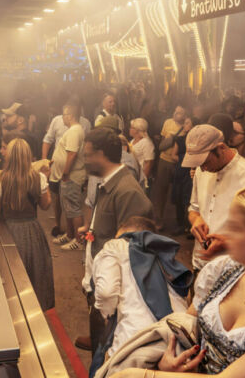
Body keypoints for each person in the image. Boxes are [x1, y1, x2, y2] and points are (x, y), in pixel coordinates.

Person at [111, 185, 245, 378]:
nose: (222, 233)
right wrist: (168, 363)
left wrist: (141, 375)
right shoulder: (223, 271)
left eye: (235, 227)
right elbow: (187, 331)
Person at [77, 127, 154, 355]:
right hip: (99, 284)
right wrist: (92, 231)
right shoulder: (109, 183)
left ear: (101, 155)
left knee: (106, 355)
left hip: (113, 300)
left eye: (87, 155)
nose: (84, 160)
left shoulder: (128, 192)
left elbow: (132, 255)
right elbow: (112, 230)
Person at [91, 216, 191, 375]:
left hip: (133, 347)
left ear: (122, 231)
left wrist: (107, 314)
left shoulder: (115, 245)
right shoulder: (168, 258)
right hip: (177, 348)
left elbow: (106, 292)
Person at [184, 125, 245, 270]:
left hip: (235, 273)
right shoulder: (201, 171)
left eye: (206, 162)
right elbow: (194, 208)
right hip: (201, 266)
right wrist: (196, 219)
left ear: (221, 148)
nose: (202, 168)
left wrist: (228, 242)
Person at [0, 138, 55, 311]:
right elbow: (46, 205)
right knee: (34, 270)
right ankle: (34, 309)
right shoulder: (38, 177)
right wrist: (46, 182)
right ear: (28, 156)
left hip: (8, 230)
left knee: (11, 273)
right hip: (31, 230)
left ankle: (13, 308)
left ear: (9, 157)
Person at [42, 102, 92, 237]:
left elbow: (72, 154)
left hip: (71, 176)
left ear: (70, 116)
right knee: (68, 209)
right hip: (67, 176)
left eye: (64, 115)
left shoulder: (74, 131)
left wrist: (65, 173)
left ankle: (77, 239)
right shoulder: (73, 130)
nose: (62, 118)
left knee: (74, 209)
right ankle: (69, 235)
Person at [153, 106, 187, 232]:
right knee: (160, 191)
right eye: (175, 112)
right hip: (164, 161)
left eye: (179, 113)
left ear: (184, 115)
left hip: (178, 163)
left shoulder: (186, 126)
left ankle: (180, 222)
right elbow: (163, 141)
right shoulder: (167, 122)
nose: (175, 114)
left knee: (178, 192)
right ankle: (158, 220)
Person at [170, 117, 199, 236]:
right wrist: (184, 160)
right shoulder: (180, 139)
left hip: (192, 172)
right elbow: (173, 155)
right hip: (180, 171)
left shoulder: (198, 141)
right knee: (179, 197)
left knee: (190, 198)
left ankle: (191, 226)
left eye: (187, 123)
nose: (185, 125)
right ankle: (181, 225)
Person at [129, 118, 155, 191]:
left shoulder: (146, 143)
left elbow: (149, 163)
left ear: (137, 130)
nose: (129, 129)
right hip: (133, 176)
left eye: (131, 128)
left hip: (140, 178)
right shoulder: (132, 141)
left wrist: (142, 181)